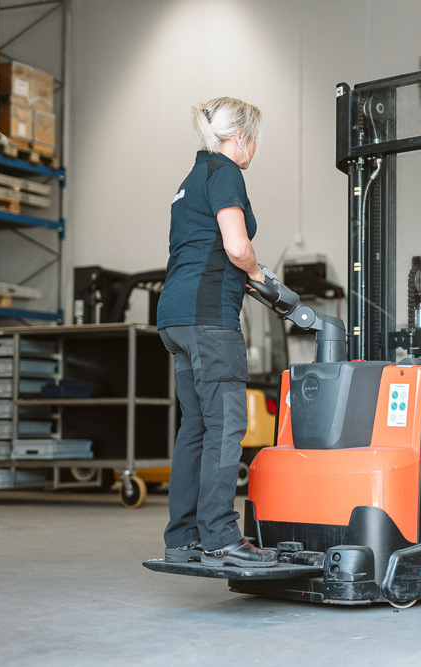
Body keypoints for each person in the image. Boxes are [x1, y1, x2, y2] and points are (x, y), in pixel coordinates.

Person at [156, 97, 278, 568]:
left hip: (175, 317)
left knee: (196, 426)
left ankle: (183, 537)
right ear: (241, 138)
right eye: (255, 140)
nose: (254, 150)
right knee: (225, 425)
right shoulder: (226, 172)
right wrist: (258, 273)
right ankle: (221, 537)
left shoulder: (190, 180)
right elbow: (236, 245)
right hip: (209, 319)